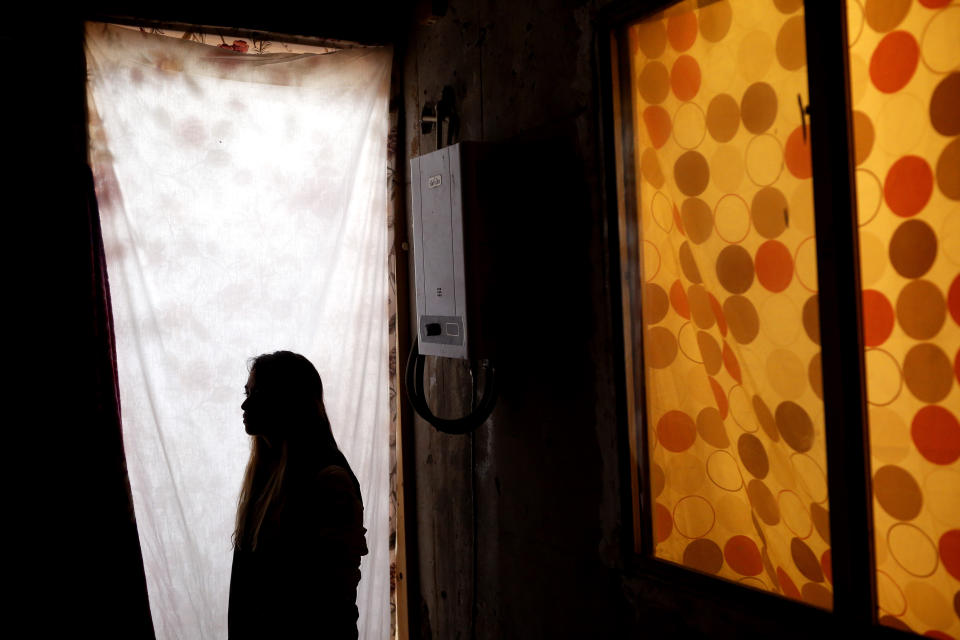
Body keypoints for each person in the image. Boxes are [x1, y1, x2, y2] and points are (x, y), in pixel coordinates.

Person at [229, 351, 367, 639]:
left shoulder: (329, 482)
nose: (245, 404)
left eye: (257, 394)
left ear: (287, 400)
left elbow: (326, 603)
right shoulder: (267, 477)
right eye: (247, 392)